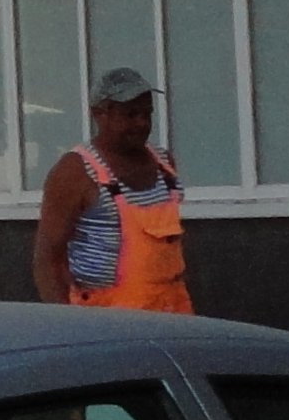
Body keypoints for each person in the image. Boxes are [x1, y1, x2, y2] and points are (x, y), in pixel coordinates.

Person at [33, 66, 191, 312]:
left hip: (172, 312)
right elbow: (47, 261)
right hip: (109, 319)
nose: (141, 123)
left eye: (147, 113)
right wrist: (68, 323)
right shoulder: (75, 172)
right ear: (99, 114)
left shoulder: (163, 163)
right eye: (130, 114)